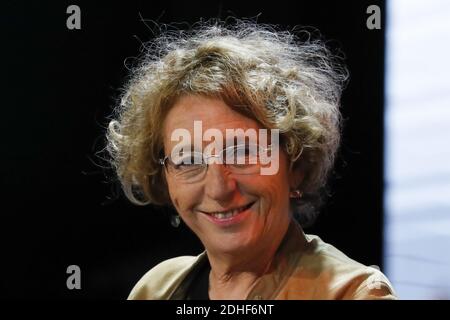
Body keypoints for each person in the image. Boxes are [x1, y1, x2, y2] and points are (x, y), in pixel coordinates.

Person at [106, 20, 397, 300]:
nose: (219, 188)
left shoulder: (352, 293)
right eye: (188, 160)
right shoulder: (155, 290)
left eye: (243, 152)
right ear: (164, 178)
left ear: (295, 163)